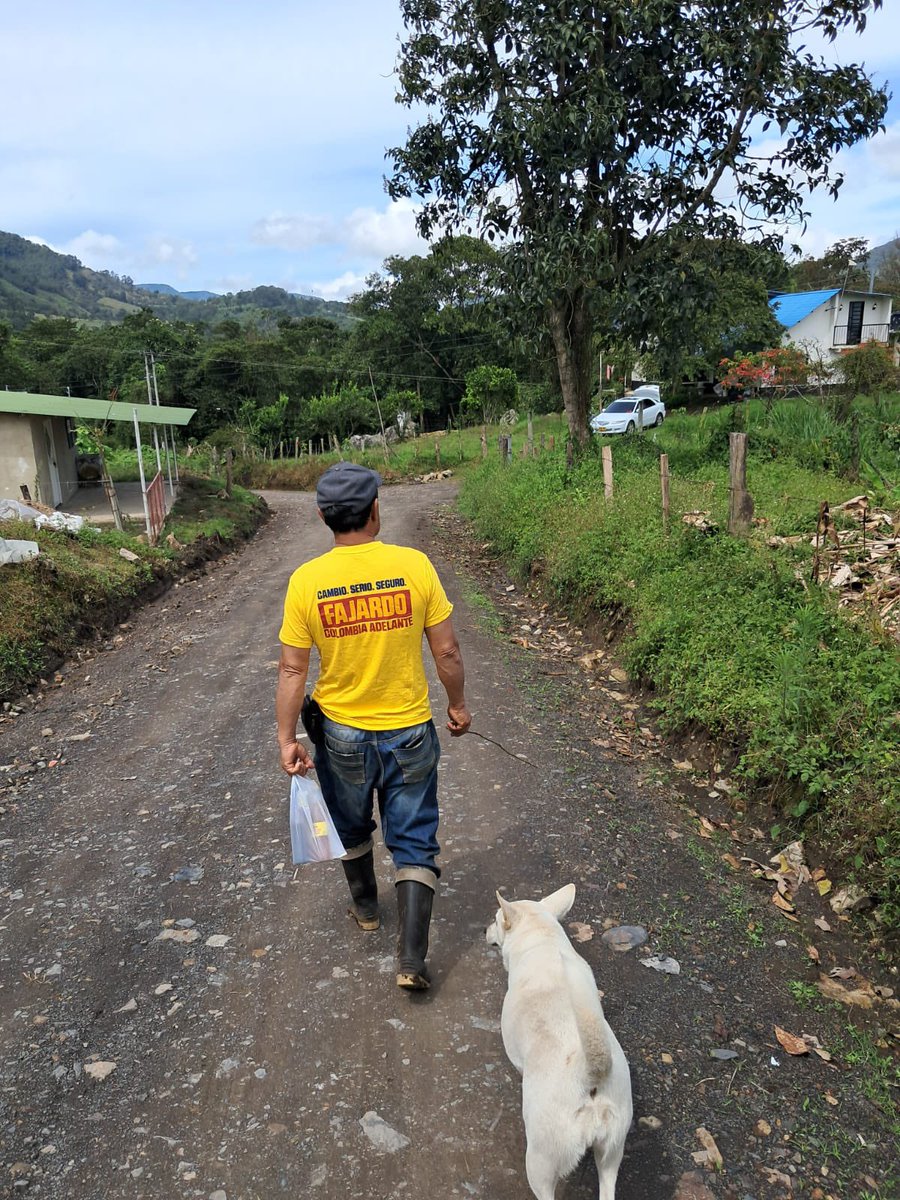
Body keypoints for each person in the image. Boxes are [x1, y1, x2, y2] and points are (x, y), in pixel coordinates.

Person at [276, 462, 470, 990]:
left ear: (322, 517)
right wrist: (457, 705)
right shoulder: (414, 566)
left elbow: (292, 669)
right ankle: (411, 960)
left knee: (350, 822)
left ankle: (365, 909)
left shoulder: (307, 581)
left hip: (341, 735)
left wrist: (287, 738)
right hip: (410, 731)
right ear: (375, 510)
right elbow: (446, 650)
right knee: (414, 838)